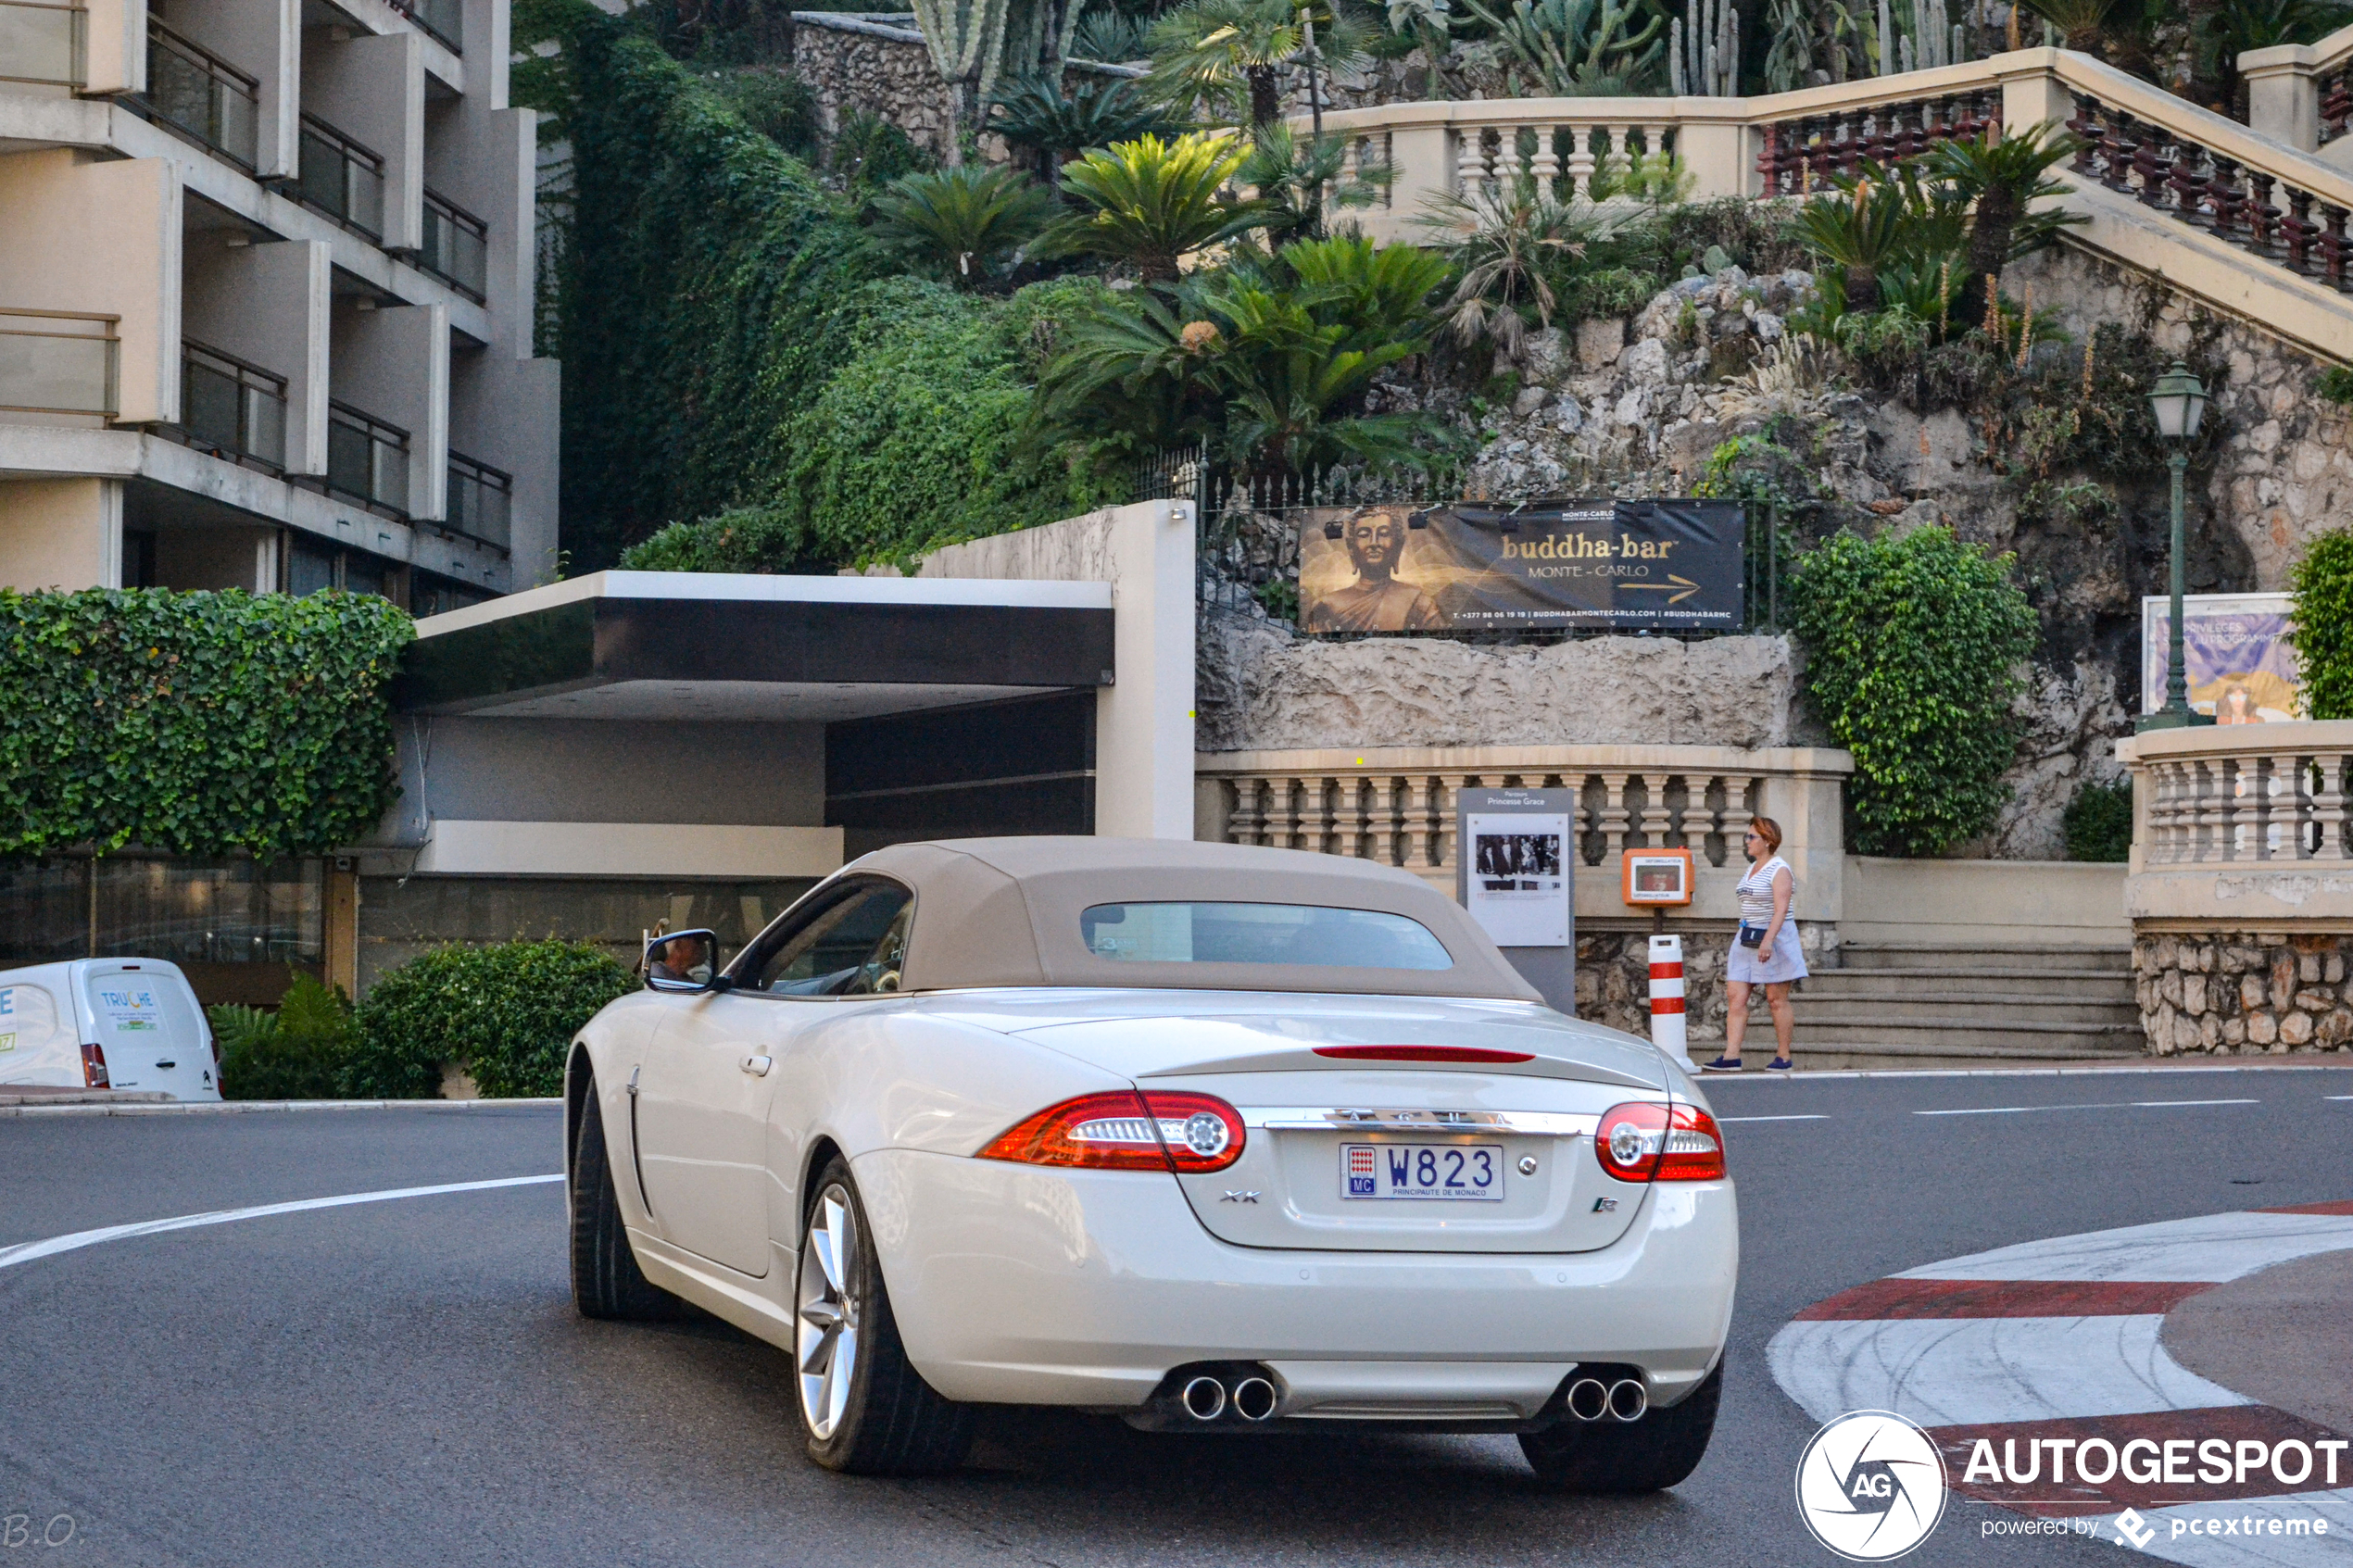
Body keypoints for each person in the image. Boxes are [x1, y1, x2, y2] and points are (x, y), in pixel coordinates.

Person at [1704, 816, 1806, 1073]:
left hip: (1775, 937)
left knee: (1775, 999)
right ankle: (1731, 1055)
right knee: (1736, 997)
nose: (1746, 841)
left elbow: (1781, 910)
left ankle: (1783, 1056)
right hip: (1746, 936)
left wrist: (1768, 941)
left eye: (1752, 837)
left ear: (1768, 840)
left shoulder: (1780, 869)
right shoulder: (1752, 868)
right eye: (1747, 836)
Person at [1303, 508, 1443, 633]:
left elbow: (1437, 639)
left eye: (1384, 534)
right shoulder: (1328, 604)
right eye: (1364, 535)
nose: (1374, 542)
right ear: (1351, 548)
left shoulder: (1419, 602)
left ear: (1398, 546)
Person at [648, 931, 712, 986]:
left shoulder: (688, 981)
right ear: (676, 946)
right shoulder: (656, 971)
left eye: (690, 966)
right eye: (697, 942)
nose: (702, 945)